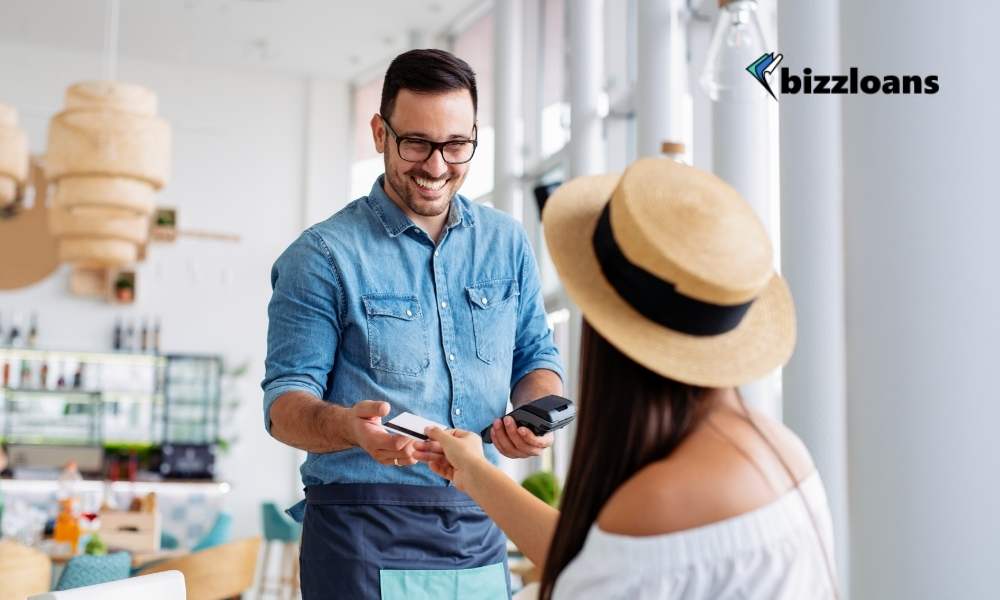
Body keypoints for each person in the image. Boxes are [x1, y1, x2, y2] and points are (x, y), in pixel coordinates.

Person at [417, 158, 839, 599]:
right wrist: (476, 472)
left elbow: (602, 568)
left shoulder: (659, 500)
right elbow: (593, 558)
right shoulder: (783, 451)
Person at [261, 48, 564, 599]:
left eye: (456, 145)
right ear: (380, 133)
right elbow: (283, 409)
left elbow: (536, 357)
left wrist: (531, 417)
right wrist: (350, 428)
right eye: (416, 143)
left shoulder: (507, 243)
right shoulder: (321, 256)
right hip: (360, 530)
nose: (436, 165)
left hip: (480, 519)